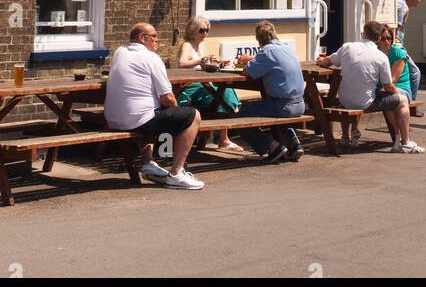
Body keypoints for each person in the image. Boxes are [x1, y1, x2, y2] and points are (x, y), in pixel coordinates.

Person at [105, 22, 204, 189]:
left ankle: (148, 162)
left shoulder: (120, 52)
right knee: (193, 115)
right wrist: (177, 111)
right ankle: (176, 174)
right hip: (138, 121)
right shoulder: (152, 58)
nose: (158, 40)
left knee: (152, 111)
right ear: (142, 38)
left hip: (113, 120)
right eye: (154, 37)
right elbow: (167, 98)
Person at [318, 21, 424, 154]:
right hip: (365, 102)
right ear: (379, 38)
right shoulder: (380, 57)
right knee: (401, 101)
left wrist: (320, 61)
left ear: (363, 34)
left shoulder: (347, 47)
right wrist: (397, 96)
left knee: (354, 92)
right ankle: (406, 142)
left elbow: (327, 61)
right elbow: (389, 85)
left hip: (344, 100)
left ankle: (347, 137)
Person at [235, 21, 306, 164]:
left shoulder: (266, 51)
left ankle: (274, 147)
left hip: (283, 106)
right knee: (271, 106)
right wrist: (253, 59)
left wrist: (246, 61)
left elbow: (247, 71)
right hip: (300, 104)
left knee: (240, 118)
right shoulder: (287, 48)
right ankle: (294, 143)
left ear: (259, 39)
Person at [176, 17, 243, 153]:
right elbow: (182, 63)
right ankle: (224, 137)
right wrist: (201, 60)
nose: (205, 33)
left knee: (224, 90)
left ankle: (224, 138)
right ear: (192, 30)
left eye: (207, 30)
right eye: (202, 30)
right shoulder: (187, 45)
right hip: (186, 88)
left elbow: (200, 66)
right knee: (220, 94)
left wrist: (216, 63)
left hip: (199, 85)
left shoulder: (199, 46)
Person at [396, 0, 423, 103]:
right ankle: (410, 102)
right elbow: (396, 25)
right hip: (398, 45)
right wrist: (397, 46)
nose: (419, 1)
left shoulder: (398, 3)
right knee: (415, 72)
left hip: (396, 45)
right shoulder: (403, 7)